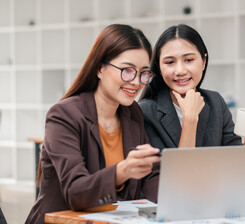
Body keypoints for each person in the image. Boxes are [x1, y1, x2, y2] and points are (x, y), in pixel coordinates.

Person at [26, 24, 161, 224]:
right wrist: (122, 171)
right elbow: (75, 192)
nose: (136, 82)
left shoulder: (132, 114)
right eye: (127, 70)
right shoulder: (63, 115)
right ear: (100, 68)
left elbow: (149, 179)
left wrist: (181, 200)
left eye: (143, 73)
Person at [139, 24, 245, 149]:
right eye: (170, 62)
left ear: (204, 62)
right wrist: (190, 120)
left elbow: (237, 165)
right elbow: (180, 172)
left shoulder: (216, 103)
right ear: (159, 68)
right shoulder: (145, 112)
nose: (180, 71)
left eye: (189, 60)